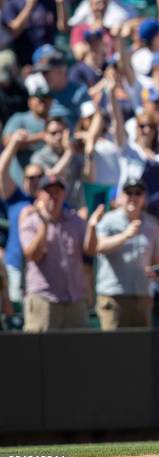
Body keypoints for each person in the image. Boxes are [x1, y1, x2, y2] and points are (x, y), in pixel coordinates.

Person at [19, 175, 101, 331]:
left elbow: (90, 251)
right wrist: (44, 225)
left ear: (64, 194)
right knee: (40, 353)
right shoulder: (31, 221)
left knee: (77, 353)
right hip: (44, 299)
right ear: (39, 194)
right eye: (49, 191)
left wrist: (91, 227)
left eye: (57, 191)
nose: (53, 196)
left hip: (74, 300)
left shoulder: (75, 221)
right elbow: (32, 255)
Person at [94, 178, 159, 329]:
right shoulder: (108, 220)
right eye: (128, 192)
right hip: (114, 295)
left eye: (138, 193)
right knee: (114, 349)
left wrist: (156, 271)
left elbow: (158, 260)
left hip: (142, 295)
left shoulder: (152, 223)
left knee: (142, 349)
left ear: (144, 198)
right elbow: (98, 246)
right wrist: (125, 235)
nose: (133, 197)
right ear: (121, 197)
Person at [0, 130, 43, 305]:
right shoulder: (17, 198)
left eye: (39, 177)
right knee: (16, 308)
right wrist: (13, 144)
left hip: (41, 268)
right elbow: (2, 171)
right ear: (24, 180)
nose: (35, 181)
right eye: (30, 177)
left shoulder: (53, 201)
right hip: (15, 262)